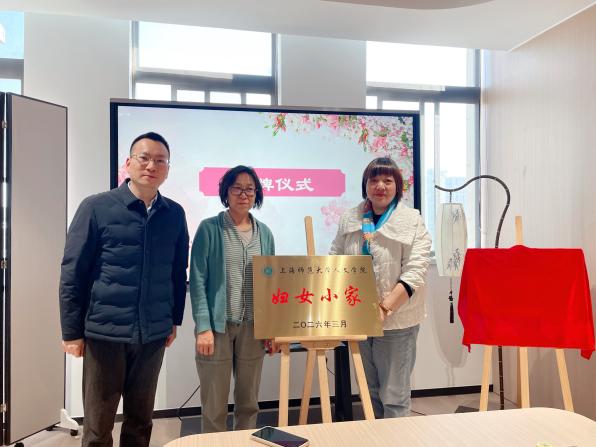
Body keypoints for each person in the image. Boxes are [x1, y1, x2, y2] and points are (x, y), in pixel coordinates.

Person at [59, 132, 189, 447]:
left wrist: (173, 319)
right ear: (128, 163)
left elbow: (176, 271)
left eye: (160, 160)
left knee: (141, 421)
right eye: (144, 158)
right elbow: (73, 272)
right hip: (105, 333)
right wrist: (71, 332)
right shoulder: (96, 207)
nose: (152, 166)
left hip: (152, 334)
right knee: (98, 425)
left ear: (167, 169)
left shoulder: (174, 213)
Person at [330, 157, 431, 418]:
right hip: (359, 318)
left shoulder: (412, 220)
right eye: (374, 180)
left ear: (397, 186)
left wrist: (384, 308)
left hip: (397, 320)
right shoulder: (350, 218)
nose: (380, 186)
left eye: (387, 180)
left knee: (394, 396)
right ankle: (375, 436)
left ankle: (395, 438)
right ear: (365, 185)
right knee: (369, 392)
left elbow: (416, 270)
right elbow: (335, 259)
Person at [189, 165, 275, 433]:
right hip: (217, 328)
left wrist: (270, 328)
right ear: (226, 192)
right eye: (237, 188)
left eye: (250, 189)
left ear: (257, 194)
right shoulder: (209, 229)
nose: (243, 194)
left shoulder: (265, 233)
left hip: (253, 328)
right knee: (214, 405)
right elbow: (197, 280)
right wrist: (203, 327)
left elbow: (271, 283)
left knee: (249, 403)